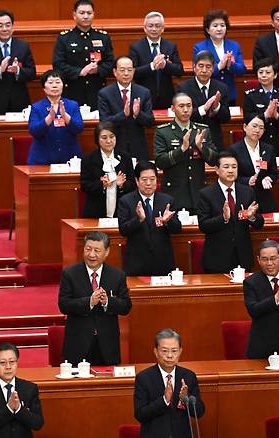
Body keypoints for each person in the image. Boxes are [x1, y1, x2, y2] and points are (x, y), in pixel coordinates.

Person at [58, 231, 132, 365]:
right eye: (88, 249)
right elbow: (63, 305)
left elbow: (126, 306)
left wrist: (107, 302)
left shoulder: (117, 275)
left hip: (107, 345)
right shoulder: (70, 274)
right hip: (78, 344)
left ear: (107, 251)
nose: (91, 254)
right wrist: (89, 302)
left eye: (97, 250)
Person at [197, 151, 263, 273]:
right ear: (217, 170)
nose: (231, 170)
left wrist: (252, 217)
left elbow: (260, 223)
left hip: (242, 257)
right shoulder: (206, 194)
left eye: (234, 167)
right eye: (226, 167)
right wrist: (223, 218)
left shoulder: (247, 192)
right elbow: (203, 225)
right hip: (217, 259)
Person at [134, 328, 205, 437]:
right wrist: (164, 400)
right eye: (164, 351)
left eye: (174, 351)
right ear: (156, 352)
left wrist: (186, 398)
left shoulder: (188, 376)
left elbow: (199, 412)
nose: (170, 355)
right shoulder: (144, 378)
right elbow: (140, 415)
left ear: (180, 351)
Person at [154, 93, 218, 213]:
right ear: (173, 108)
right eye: (181, 106)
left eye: (189, 106)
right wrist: (182, 149)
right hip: (174, 192)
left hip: (198, 191)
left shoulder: (202, 130)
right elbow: (160, 162)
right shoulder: (163, 131)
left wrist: (200, 147)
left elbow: (214, 159)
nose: (185, 110)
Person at [117, 161, 181, 276]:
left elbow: (177, 229)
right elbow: (123, 230)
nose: (148, 183)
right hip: (136, 264)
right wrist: (139, 219)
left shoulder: (167, 200)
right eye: (144, 179)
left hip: (163, 263)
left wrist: (168, 221)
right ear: (137, 181)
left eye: (152, 179)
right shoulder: (126, 201)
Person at [52, 0, 114, 110]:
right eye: (82, 13)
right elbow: (58, 65)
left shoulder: (103, 37)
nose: (86, 16)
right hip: (72, 90)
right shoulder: (64, 38)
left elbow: (110, 63)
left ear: (93, 14)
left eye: (89, 13)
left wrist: (98, 69)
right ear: (74, 15)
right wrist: (80, 72)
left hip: (97, 91)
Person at [0, 343, 44, 437]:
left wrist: (19, 409)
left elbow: (38, 424)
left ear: (17, 363)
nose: (8, 367)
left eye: (12, 361)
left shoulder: (29, 388)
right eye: (3, 363)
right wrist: (8, 409)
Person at [0, 10, 37, 114]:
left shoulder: (23, 46)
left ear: (12, 27)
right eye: (0, 25)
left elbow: (32, 73)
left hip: (19, 104)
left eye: (7, 25)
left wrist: (18, 70)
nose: (4, 29)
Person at [98, 56, 154, 160]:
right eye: (122, 70)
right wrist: (123, 115)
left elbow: (150, 121)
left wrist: (138, 114)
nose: (126, 73)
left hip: (138, 147)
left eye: (129, 70)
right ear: (115, 72)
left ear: (133, 71)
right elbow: (104, 122)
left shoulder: (144, 92)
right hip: (115, 147)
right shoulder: (105, 93)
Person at [128, 12, 184, 110]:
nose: (154, 29)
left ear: (162, 28)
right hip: (143, 96)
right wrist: (152, 66)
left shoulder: (170, 46)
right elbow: (133, 72)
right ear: (145, 28)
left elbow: (180, 70)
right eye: (150, 26)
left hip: (167, 96)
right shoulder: (135, 47)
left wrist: (165, 65)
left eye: (157, 26)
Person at [176, 50, 230, 149]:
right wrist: (203, 109)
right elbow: (181, 115)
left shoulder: (222, 88)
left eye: (208, 67)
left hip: (214, 140)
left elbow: (226, 117)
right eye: (200, 66)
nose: (204, 70)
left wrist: (217, 107)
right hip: (190, 138)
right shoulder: (183, 88)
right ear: (194, 67)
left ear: (213, 69)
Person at [27, 70, 84, 165]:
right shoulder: (36, 107)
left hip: (69, 159)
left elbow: (79, 129)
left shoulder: (72, 105)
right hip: (42, 159)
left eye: (58, 82)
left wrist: (65, 116)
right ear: (44, 88)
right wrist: (49, 118)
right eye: (50, 82)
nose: (54, 85)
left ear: (63, 86)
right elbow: (34, 132)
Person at [80, 122, 135, 218]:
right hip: (95, 212)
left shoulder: (125, 157)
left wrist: (122, 185)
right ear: (97, 139)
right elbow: (84, 185)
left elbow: (133, 184)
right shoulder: (88, 159)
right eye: (104, 138)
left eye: (112, 136)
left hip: (121, 212)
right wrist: (102, 185)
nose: (109, 141)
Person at [192, 9, 246, 105]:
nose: (219, 29)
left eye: (222, 25)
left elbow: (242, 70)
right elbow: (197, 72)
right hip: (208, 94)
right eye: (215, 26)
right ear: (208, 30)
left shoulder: (234, 45)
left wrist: (231, 65)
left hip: (229, 94)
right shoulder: (200, 47)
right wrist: (219, 66)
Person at [243, 58, 279, 156]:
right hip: (258, 143)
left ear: (275, 75)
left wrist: (277, 116)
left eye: (268, 72)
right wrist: (265, 115)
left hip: (278, 144)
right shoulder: (250, 95)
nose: (264, 75)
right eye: (260, 72)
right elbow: (247, 119)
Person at [229, 115, 277, 213]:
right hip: (243, 198)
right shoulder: (234, 150)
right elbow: (230, 176)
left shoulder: (268, 149)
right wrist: (247, 180)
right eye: (254, 126)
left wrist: (269, 178)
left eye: (261, 128)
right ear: (245, 127)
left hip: (265, 199)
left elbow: (274, 173)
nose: (258, 130)